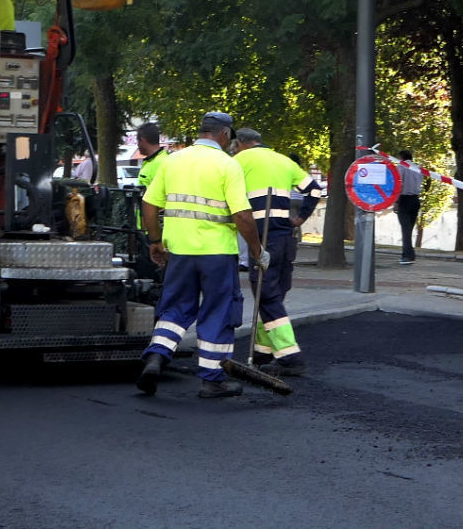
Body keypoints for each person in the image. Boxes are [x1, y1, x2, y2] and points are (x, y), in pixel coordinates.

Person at [136, 111, 264, 399]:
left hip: (179, 252)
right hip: (217, 254)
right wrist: (257, 251)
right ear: (224, 134)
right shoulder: (227, 165)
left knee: (174, 309)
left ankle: (156, 356)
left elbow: (148, 204)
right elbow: (242, 215)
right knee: (218, 311)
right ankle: (211, 380)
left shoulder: (173, 161)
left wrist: (155, 241)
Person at [233, 128, 323, 377]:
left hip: (263, 238)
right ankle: (263, 351)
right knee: (274, 295)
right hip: (286, 239)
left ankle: (290, 357)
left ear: (240, 144)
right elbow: (315, 190)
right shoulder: (284, 161)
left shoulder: (239, 161)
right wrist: (300, 218)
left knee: (267, 296)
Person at [396, 149, 424, 265]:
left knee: (405, 230)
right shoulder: (417, 168)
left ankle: (408, 255)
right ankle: (408, 253)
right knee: (409, 229)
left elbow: (399, 184)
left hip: (404, 199)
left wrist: (396, 202)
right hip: (415, 200)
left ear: (402, 158)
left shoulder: (401, 167)